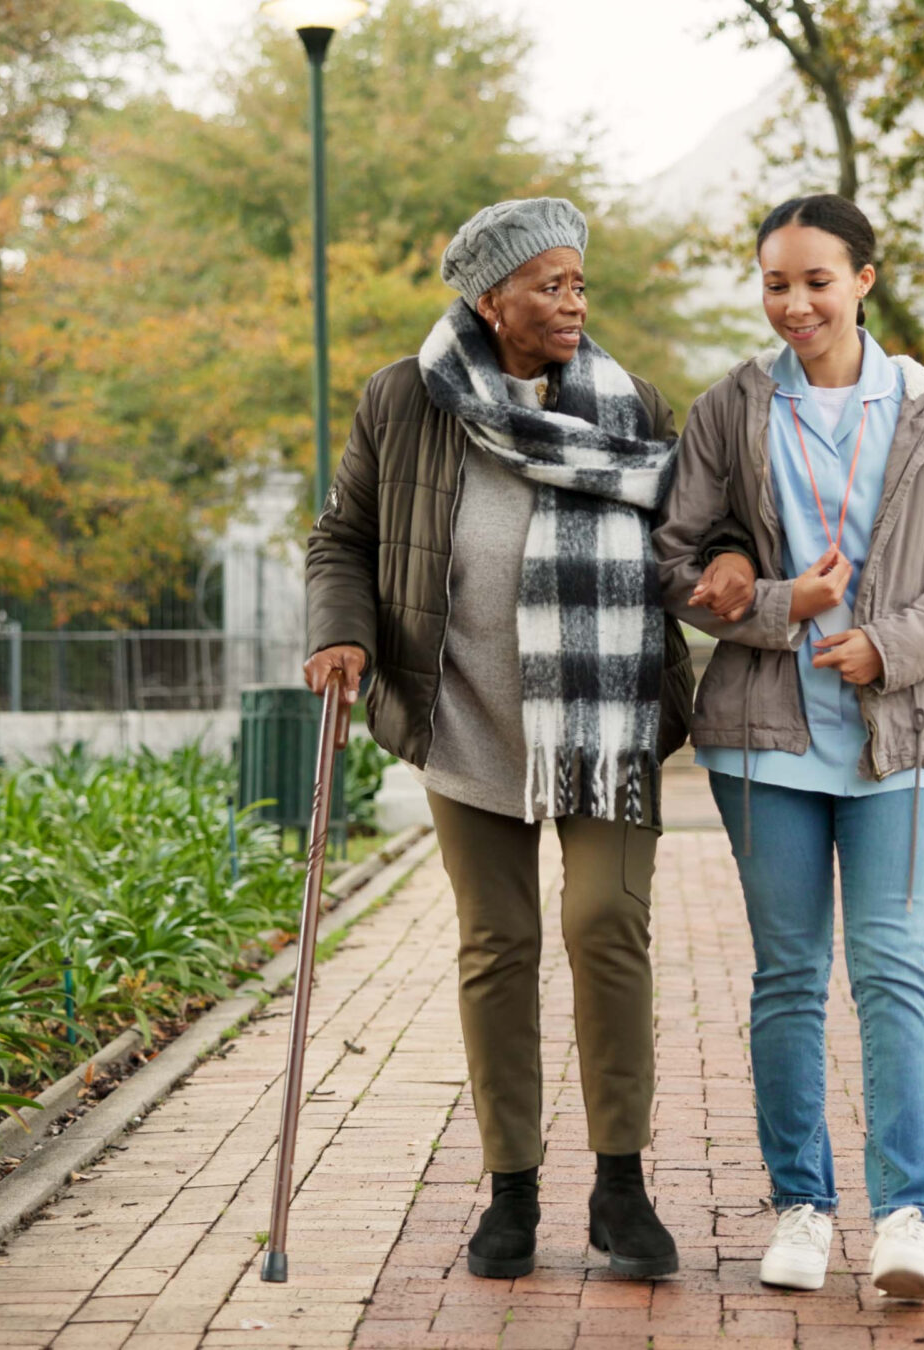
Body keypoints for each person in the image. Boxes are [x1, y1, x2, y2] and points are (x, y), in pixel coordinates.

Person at [303, 197, 721, 1281]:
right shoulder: (406, 400)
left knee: (603, 925)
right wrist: (341, 633)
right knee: (498, 946)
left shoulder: (629, 401)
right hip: (467, 712)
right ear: (490, 300)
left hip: (608, 714)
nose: (574, 300)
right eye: (550, 284)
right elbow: (343, 536)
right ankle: (512, 1192)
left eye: (580, 282)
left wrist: (732, 576)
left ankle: (621, 1187)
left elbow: (681, 538)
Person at [653, 194, 924, 1300]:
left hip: (897, 735)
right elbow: (674, 563)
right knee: (790, 978)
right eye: (775, 283)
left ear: (865, 279)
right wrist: (770, 602)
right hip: (763, 742)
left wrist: (887, 646)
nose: (794, 302)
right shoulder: (727, 409)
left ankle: (908, 1218)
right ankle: (801, 1207)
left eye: (816, 279)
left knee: (893, 971)